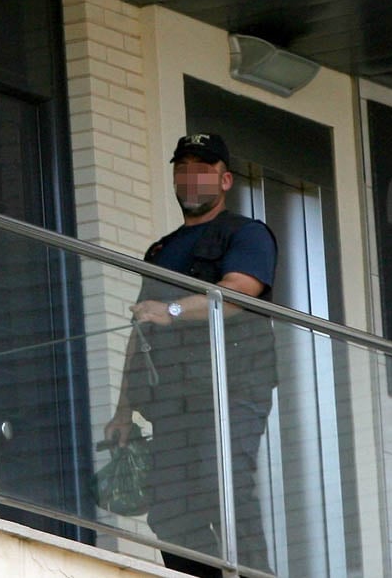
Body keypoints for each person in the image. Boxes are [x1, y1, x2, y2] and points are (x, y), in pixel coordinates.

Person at [104, 133, 278, 577]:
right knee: (169, 507)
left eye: (202, 168)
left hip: (230, 391)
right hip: (174, 401)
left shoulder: (246, 233)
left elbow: (241, 292)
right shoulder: (161, 251)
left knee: (225, 487)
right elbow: (140, 331)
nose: (191, 177)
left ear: (225, 180)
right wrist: (124, 410)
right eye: (183, 168)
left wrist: (174, 309)